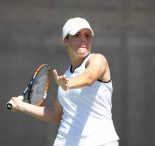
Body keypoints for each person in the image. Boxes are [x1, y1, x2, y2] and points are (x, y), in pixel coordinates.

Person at [9, 17, 119, 146]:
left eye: (87, 35)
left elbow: (89, 78)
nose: (83, 39)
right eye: (77, 35)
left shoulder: (98, 60)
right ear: (66, 40)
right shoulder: (65, 77)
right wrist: (20, 105)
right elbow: (55, 115)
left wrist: (68, 84)